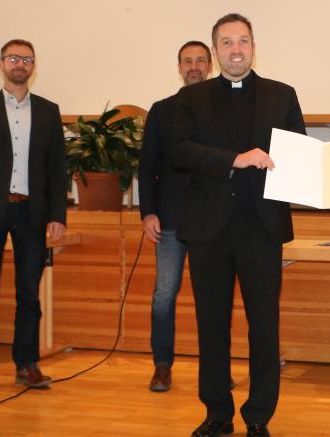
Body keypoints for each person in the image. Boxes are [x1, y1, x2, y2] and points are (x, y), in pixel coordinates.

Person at [171, 13, 304, 437]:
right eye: (226, 42)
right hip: (208, 230)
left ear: (253, 46)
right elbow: (179, 152)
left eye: (242, 41)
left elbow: (300, 159)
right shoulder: (190, 99)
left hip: (261, 229)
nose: (235, 49)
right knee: (212, 325)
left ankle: (259, 415)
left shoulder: (282, 95)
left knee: (264, 326)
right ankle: (217, 413)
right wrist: (234, 159)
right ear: (215, 52)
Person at [0, 39, 68, 394]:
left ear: (34, 65)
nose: (20, 63)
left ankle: (27, 363)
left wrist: (58, 214)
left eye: (27, 58)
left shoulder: (48, 110)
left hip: (33, 211)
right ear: (1, 63)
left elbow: (58, 166)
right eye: (14, 58)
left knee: (29, 292)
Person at [138, 40, 212, 392]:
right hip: (169, 220)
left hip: (213, 221)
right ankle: (162, 365)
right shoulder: (162, 110)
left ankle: (215, 368)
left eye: (200, 60)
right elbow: (147, 164)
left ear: (210, 65)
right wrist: (148, 211)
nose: (194, 66)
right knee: (164, 295)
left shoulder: (223, 110)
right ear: (179, 67)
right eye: (188, 61)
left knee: (212, 297)